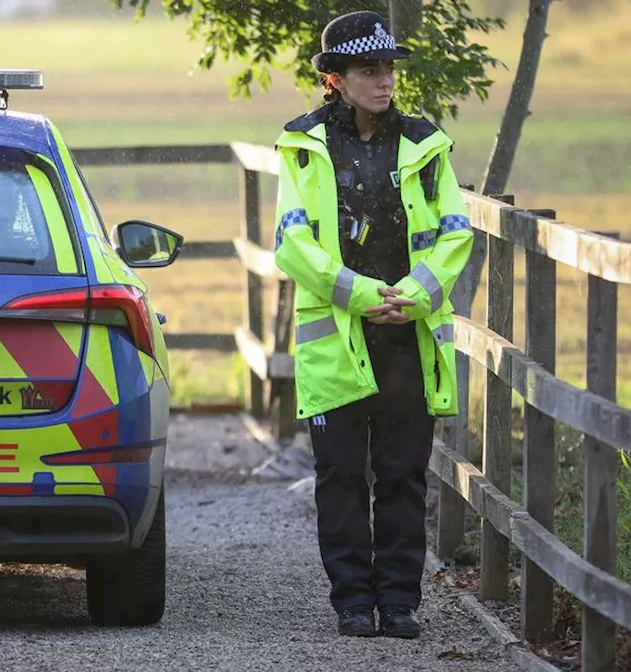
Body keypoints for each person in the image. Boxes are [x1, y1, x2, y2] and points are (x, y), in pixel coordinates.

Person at [271, 10, 473, 639]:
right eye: (368, 70)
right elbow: (292, 243)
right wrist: (362, 295)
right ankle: (353, 602)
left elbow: (454, 233)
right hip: (338, 336)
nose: (383, 81)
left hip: (406, 333)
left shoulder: (425, 143)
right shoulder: (302, 146)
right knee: (339, 475)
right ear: (335, 78)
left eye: (387, 68)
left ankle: (401, 603)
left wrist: (411, 296)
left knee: (403, 474)